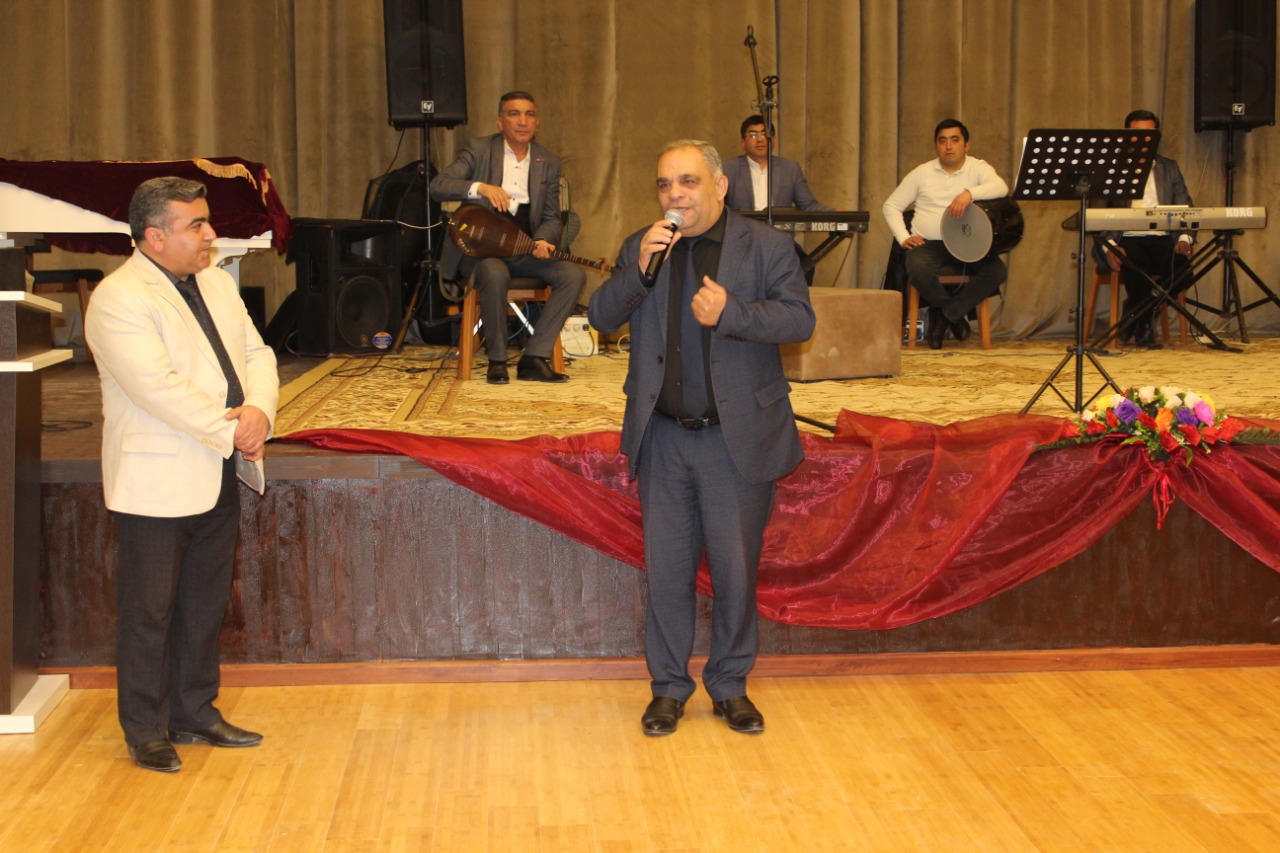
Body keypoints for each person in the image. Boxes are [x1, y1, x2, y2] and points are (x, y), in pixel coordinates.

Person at [588, 140, 815, 737]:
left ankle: (730, 684)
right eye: (665, 184)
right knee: (667, 572)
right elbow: (602, 316)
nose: (675, 194)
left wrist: (733, 312)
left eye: (687, 181)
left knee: (736, 572)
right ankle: (668, 688)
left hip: (733, 441)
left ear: (719, 186)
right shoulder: (644, 246)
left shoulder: (766, 246)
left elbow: (800, 319)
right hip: (663, 437)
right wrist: (638, 271)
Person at [85, 177, 279, 773]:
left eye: (206, 221)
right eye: (196, 225)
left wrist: (259, 411)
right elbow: (157, 389)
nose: (210, 234)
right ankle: (145, 730)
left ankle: (195, 712)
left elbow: (257, 354)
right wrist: (234, 429)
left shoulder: (216, 282)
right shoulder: (118, 298)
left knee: (203, 603)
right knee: (149, 613)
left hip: (218, 467)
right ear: (154, 237)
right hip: (156, 479)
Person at [430, 90, 585, 384]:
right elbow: (438, 186)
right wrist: (480, 187)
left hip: (523, 249)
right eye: (514, 114)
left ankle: (534, 358)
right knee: (494, 271)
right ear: (500, 122)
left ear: (537, 122)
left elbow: (552, 217)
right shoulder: (478, 149)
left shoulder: (548, 161)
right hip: (480, 251)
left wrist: (544, 239)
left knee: (572, 275)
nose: (522, 121)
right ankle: (497, 361)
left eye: (529, 114)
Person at [883, 118, 1009, 349]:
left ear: (966, 145)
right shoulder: (922, 173)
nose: (948, 146)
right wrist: (903, 237)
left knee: (997, 271)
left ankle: (944, 315)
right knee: (917, 266)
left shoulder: (978, 168)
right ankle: (954, 315)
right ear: (936, 146)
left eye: (954, 140)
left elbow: (1001, 188)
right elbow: (891, 205)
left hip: (968, 243)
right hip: (929, 243)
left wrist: (969, 194)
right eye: (942, 141)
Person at [1095, 109, 1194, 348]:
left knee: (1184, 270)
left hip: (1163, 237)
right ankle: (1144, 327)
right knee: (1137, 268)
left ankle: (1134, 313)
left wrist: (1185, 237)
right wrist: (1110, 246)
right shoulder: (1111, 168)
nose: (1144, 139)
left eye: (1149, 134)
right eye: (1137, 134)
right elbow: (1096, 214)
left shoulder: (1169, 167)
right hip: (1125, 238)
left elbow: (1186, 207)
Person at [723, 115, 833, 212]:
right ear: (743, 143)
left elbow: (809, 206)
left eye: (764, 134)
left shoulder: (790, 169)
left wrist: (837, 214)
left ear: (774, 140)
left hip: (777, 229)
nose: (760, 139)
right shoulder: (728, 169)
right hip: (742, 229)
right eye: (753, 135)